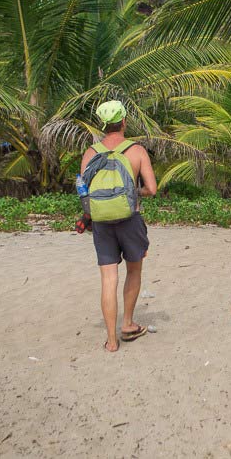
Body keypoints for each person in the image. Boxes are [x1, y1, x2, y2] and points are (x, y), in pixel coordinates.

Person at [80, 100, 158, 353]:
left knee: (108, 278)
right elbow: (152, 189)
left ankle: (111, 341)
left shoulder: (90, 153)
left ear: (103, 124)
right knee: (133, 271)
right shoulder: (136, 151)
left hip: (101, 222)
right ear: (124, 121)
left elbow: (84, 191)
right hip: (130, 219)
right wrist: (132, 193)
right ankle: (127, 324)